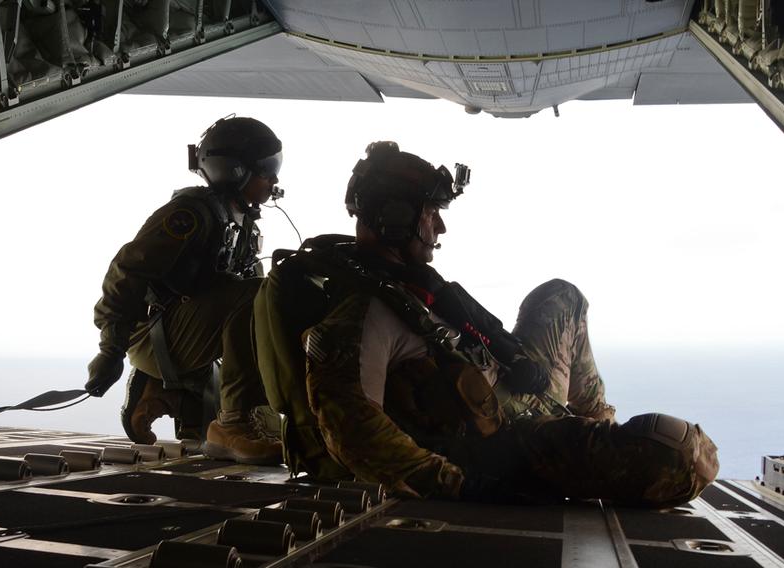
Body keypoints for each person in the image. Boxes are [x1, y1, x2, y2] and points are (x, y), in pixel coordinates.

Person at [255, 141, 718, 504]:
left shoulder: (405, 284)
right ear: (396, 219)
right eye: (431, 214)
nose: (440, 228)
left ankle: (590, 428)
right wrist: (463, 486)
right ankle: (586, 446)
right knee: (683, 457)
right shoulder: (361, 314)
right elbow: (352, 432)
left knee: (563, 296)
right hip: (514, 444)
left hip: (522, 396)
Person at [85, 116, 283, 465]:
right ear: (234, 171)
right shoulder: (191, 215)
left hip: (184, 338)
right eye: (266, 169)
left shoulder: (241, 223)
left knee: (274, 432)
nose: (275, 178)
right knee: (260, 295)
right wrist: (110, 349)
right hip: (154, 338)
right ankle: (232, 422)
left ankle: (177, 394)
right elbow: (128, 272)